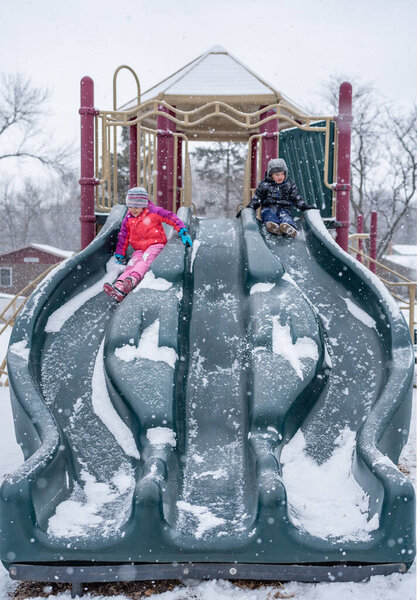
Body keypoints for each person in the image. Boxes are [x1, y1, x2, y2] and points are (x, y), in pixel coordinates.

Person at [103, 187, 192, 302]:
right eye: (130, 207)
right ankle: (120, 286)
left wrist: (182, 230)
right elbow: (123, 237)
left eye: (136, 207)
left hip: (156, 245)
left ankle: (133, 279)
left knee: (144, 261)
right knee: (132, 264)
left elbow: (170, 217)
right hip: (139, 249)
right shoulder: (128, 218)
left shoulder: (154, 212)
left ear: (143, 205)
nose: (132, 210)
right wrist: (120, 253)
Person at [243, 158, 315, 237]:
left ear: (285, 173)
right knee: (269, 214)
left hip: (284, 208)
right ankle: (273, 226)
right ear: (270, 175)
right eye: (277, 175)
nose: (280, 177)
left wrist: (304, 206)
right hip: (268, 208)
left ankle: (288, 227)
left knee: (285, 216)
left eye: (282, 174)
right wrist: (251, 206)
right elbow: (257, 198)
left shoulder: (289, 185)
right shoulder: (264, 185)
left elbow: (296, 198)